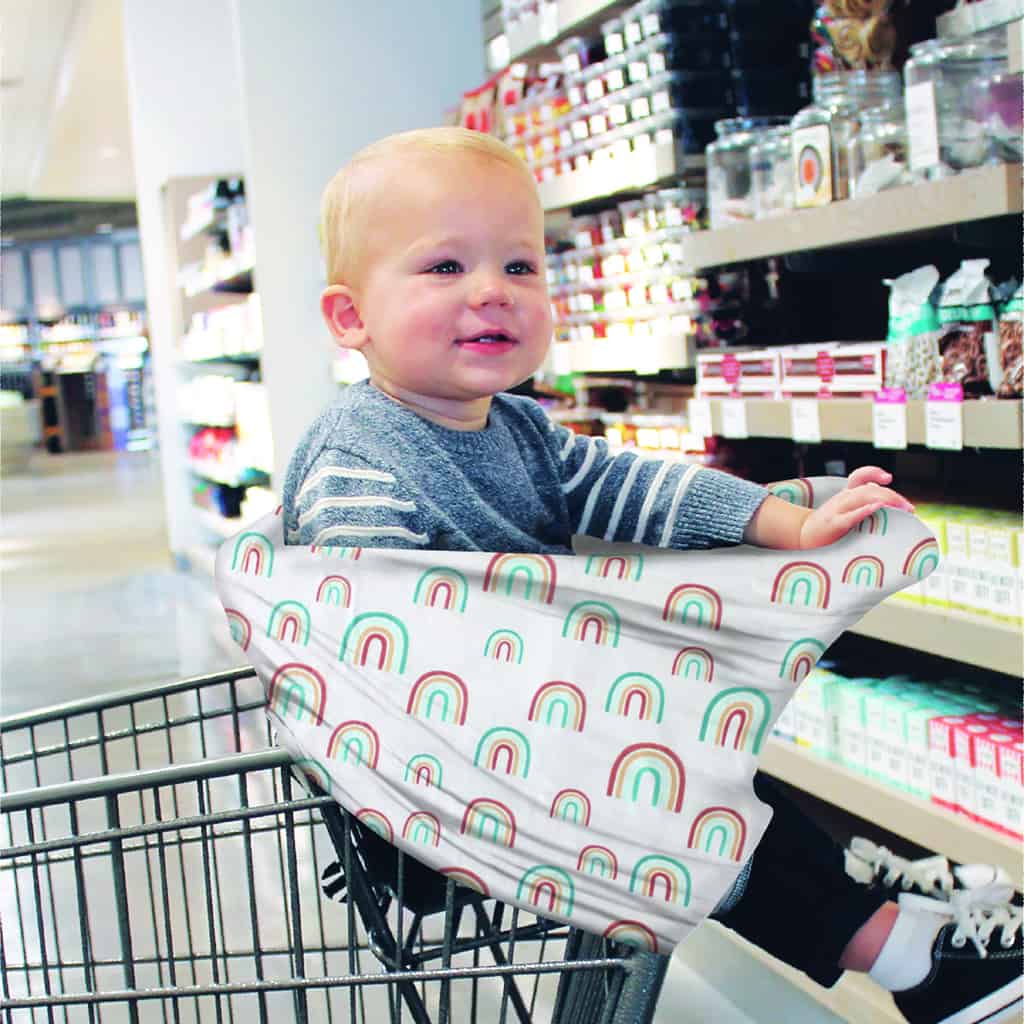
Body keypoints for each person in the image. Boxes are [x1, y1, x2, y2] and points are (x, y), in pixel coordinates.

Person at [282, 126, 1022, 1024]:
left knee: (701, 762)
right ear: (350, 317)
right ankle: (904, 954)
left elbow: (625, 485)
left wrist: (783, 521)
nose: (492, 292)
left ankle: (895, 915)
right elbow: (354, 631)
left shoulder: (515, 429)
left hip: (531, 745)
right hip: (431, 782)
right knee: (672, 801)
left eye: (520, 267)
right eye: (444, 268)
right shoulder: (359, 458)